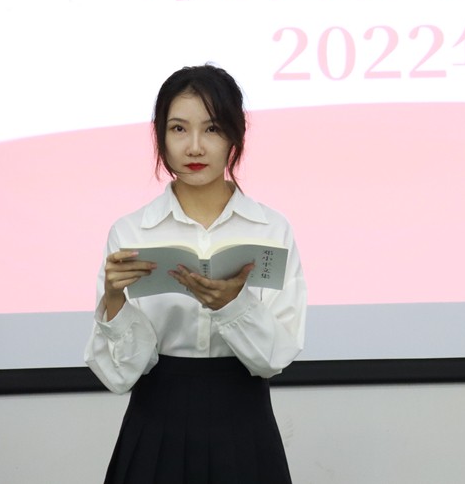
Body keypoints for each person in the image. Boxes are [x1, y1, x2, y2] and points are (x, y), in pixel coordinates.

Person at [84, 64, 306, 484]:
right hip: (155, 422)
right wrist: (113, 302)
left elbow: (274, 359)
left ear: (236, 135)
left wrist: (233, 306)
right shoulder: (131, 232)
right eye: (179, 129)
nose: (195, 147)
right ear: (160, 137)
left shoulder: (271, 230)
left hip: (244, 423)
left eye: (213, 129)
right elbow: (119, 375)